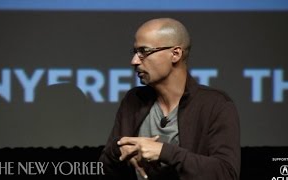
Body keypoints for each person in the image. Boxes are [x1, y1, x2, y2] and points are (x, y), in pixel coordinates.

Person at [99, 18, 240, 180]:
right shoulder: (134, 100)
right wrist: (118, 151)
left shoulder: (215, 104)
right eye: (135, 52)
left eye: (144, 51)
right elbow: (103, 169)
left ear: (175, 54)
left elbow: (226, 173)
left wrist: (164, 152)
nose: (134, 61)